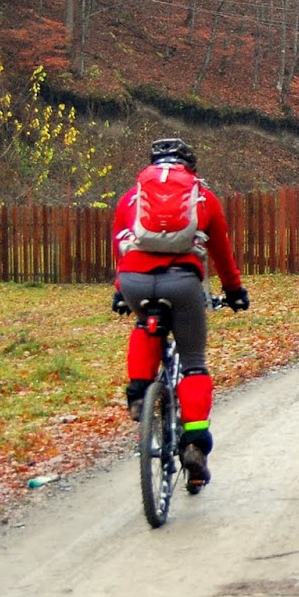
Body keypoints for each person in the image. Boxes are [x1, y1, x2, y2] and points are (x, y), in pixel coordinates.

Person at [111, 137, 249, 493]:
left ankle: (139, 395)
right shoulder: (203, 197)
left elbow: (121, 243)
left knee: (145, 324)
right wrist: (234, 292)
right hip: (183, 284)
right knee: (193, 362)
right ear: (191, 167)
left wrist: (121, 292)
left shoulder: (132, 196)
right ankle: (194, 444)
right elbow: (221, 253)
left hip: (135, 281)